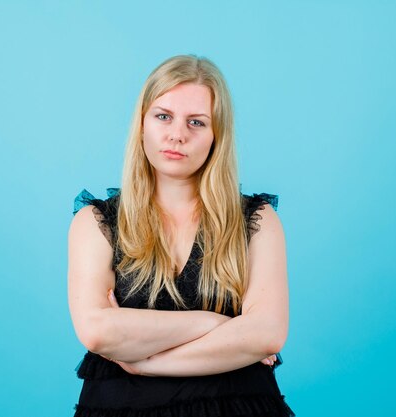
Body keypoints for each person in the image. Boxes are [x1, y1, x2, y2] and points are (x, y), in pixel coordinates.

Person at [67, 54, 294, 417]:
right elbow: (97, 332)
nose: (177, 134)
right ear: (141, 124)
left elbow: (266, 334)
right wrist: (216, 324)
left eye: (197, 122)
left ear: (216, 136)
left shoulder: (257, 220)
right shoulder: (95, 222)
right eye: (163, 116)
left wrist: (144, 363)